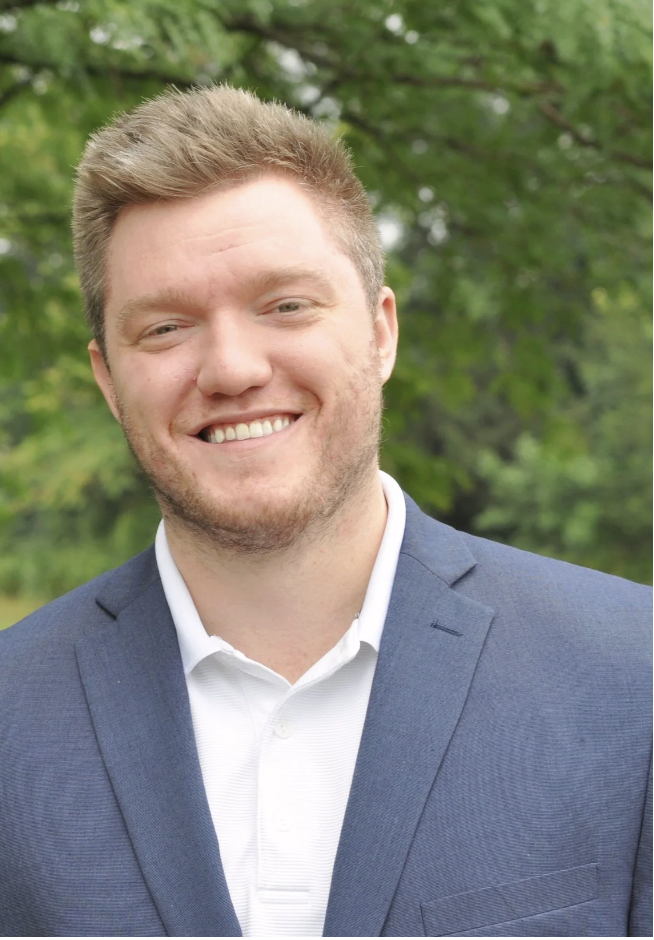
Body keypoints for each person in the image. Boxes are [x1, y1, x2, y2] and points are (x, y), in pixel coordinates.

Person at [0, 85, 650, 939]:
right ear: (107, 380)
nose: (230, 368)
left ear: (382, 333)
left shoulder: (633, 675)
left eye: (286, 305)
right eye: (164, 328)